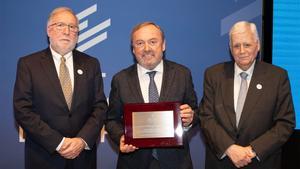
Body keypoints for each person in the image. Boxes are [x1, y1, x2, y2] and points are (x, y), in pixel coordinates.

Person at [13, 7, 108, 169]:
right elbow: (23, 109)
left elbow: (100, 107)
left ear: (77, 33)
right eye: (60, 25)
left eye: (72, 27)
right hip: (43, 156)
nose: (67, 31)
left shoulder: (91, 64)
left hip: (82, 158)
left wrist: (81, 140)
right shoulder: (28, 64)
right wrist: (58, 142)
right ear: (49, 30)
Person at [199, 21, 295, 169]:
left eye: (247, 45)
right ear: (230, 49)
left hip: (261, 162)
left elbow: (285, 123)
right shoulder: (213, 74)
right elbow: (206, 117)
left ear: (258, 46)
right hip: (222, 162)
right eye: (236, 46)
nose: (242, 51)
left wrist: (253, 150)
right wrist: (230, 148)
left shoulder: (277, 77)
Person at [105, 22, 198, 169]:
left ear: (163, 45)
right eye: (140, 43)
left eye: (153, 42)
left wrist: (190, 119)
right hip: (133, 162)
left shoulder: (182, 74)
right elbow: (111, 120)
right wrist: (121, 137)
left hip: (176, 162)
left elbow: (195, 111)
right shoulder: (120, 79)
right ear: (133, 49)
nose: (146, 48)